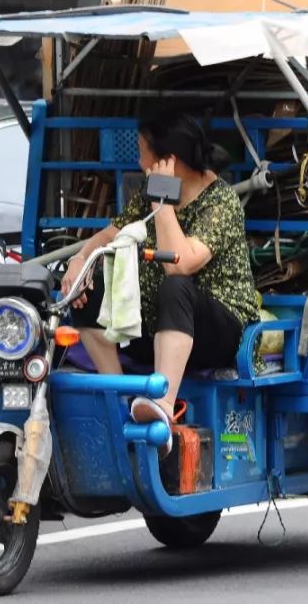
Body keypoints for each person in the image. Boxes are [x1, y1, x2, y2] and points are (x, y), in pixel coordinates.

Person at [61, 110, 258, 451]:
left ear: (169, 160)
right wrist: (79, 263)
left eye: (143, 153)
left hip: (217, 332)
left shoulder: (221, 202)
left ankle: (163, 407)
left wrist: (163, 201)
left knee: (176, 286)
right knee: (86, 295)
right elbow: (111, 233)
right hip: (160, 325)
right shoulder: (149, 194)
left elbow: (179, 266)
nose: (139, 161)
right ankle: (120, 397)